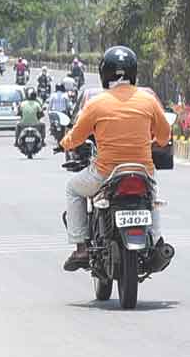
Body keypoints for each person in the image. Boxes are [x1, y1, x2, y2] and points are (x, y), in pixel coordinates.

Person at [59, 46, 173, 272]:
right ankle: (157, 241)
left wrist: (63, 143)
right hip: (142, 171)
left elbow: (76, 137)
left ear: (104, 73)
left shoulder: (96, 103)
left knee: (72, 188)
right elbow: (164, 137)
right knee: (152, 198)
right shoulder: (148, 100)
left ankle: (81, 247)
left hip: (105, 173)